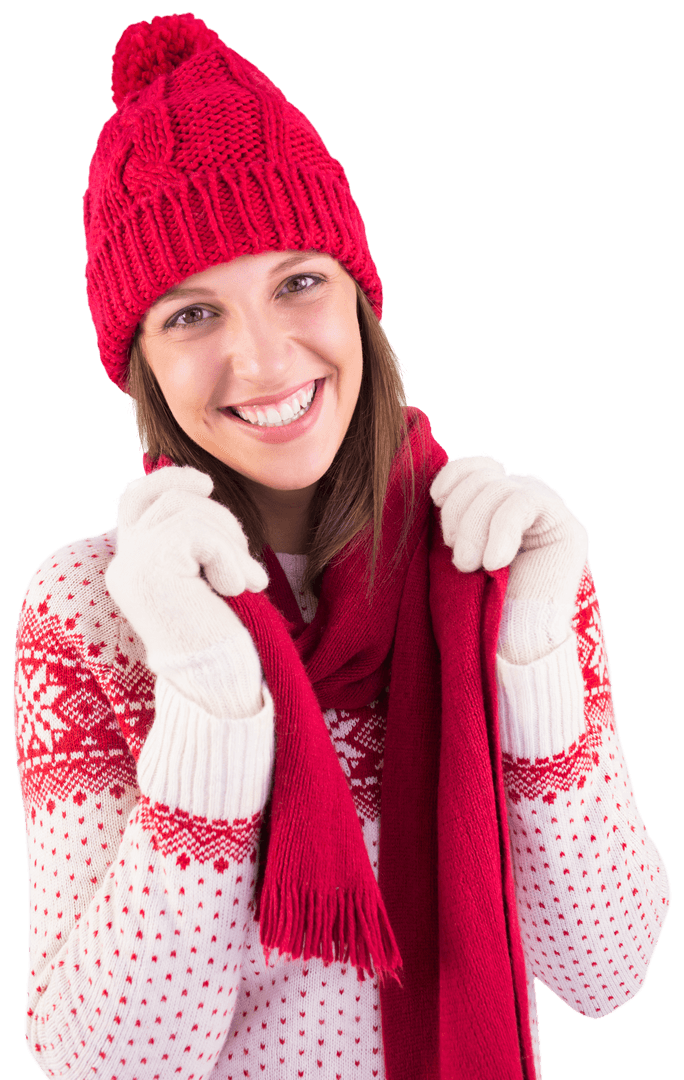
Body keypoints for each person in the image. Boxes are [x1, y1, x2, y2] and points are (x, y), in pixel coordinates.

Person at [12, 13, 670, 1080]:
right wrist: (211, 704)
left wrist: (534, 655)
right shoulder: (91, 608)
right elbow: (105, 1064)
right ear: (138, 363)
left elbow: (605, 973)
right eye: (191, 315)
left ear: (359, 295)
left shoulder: (496, 555)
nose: (263, 358)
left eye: (297, 282)